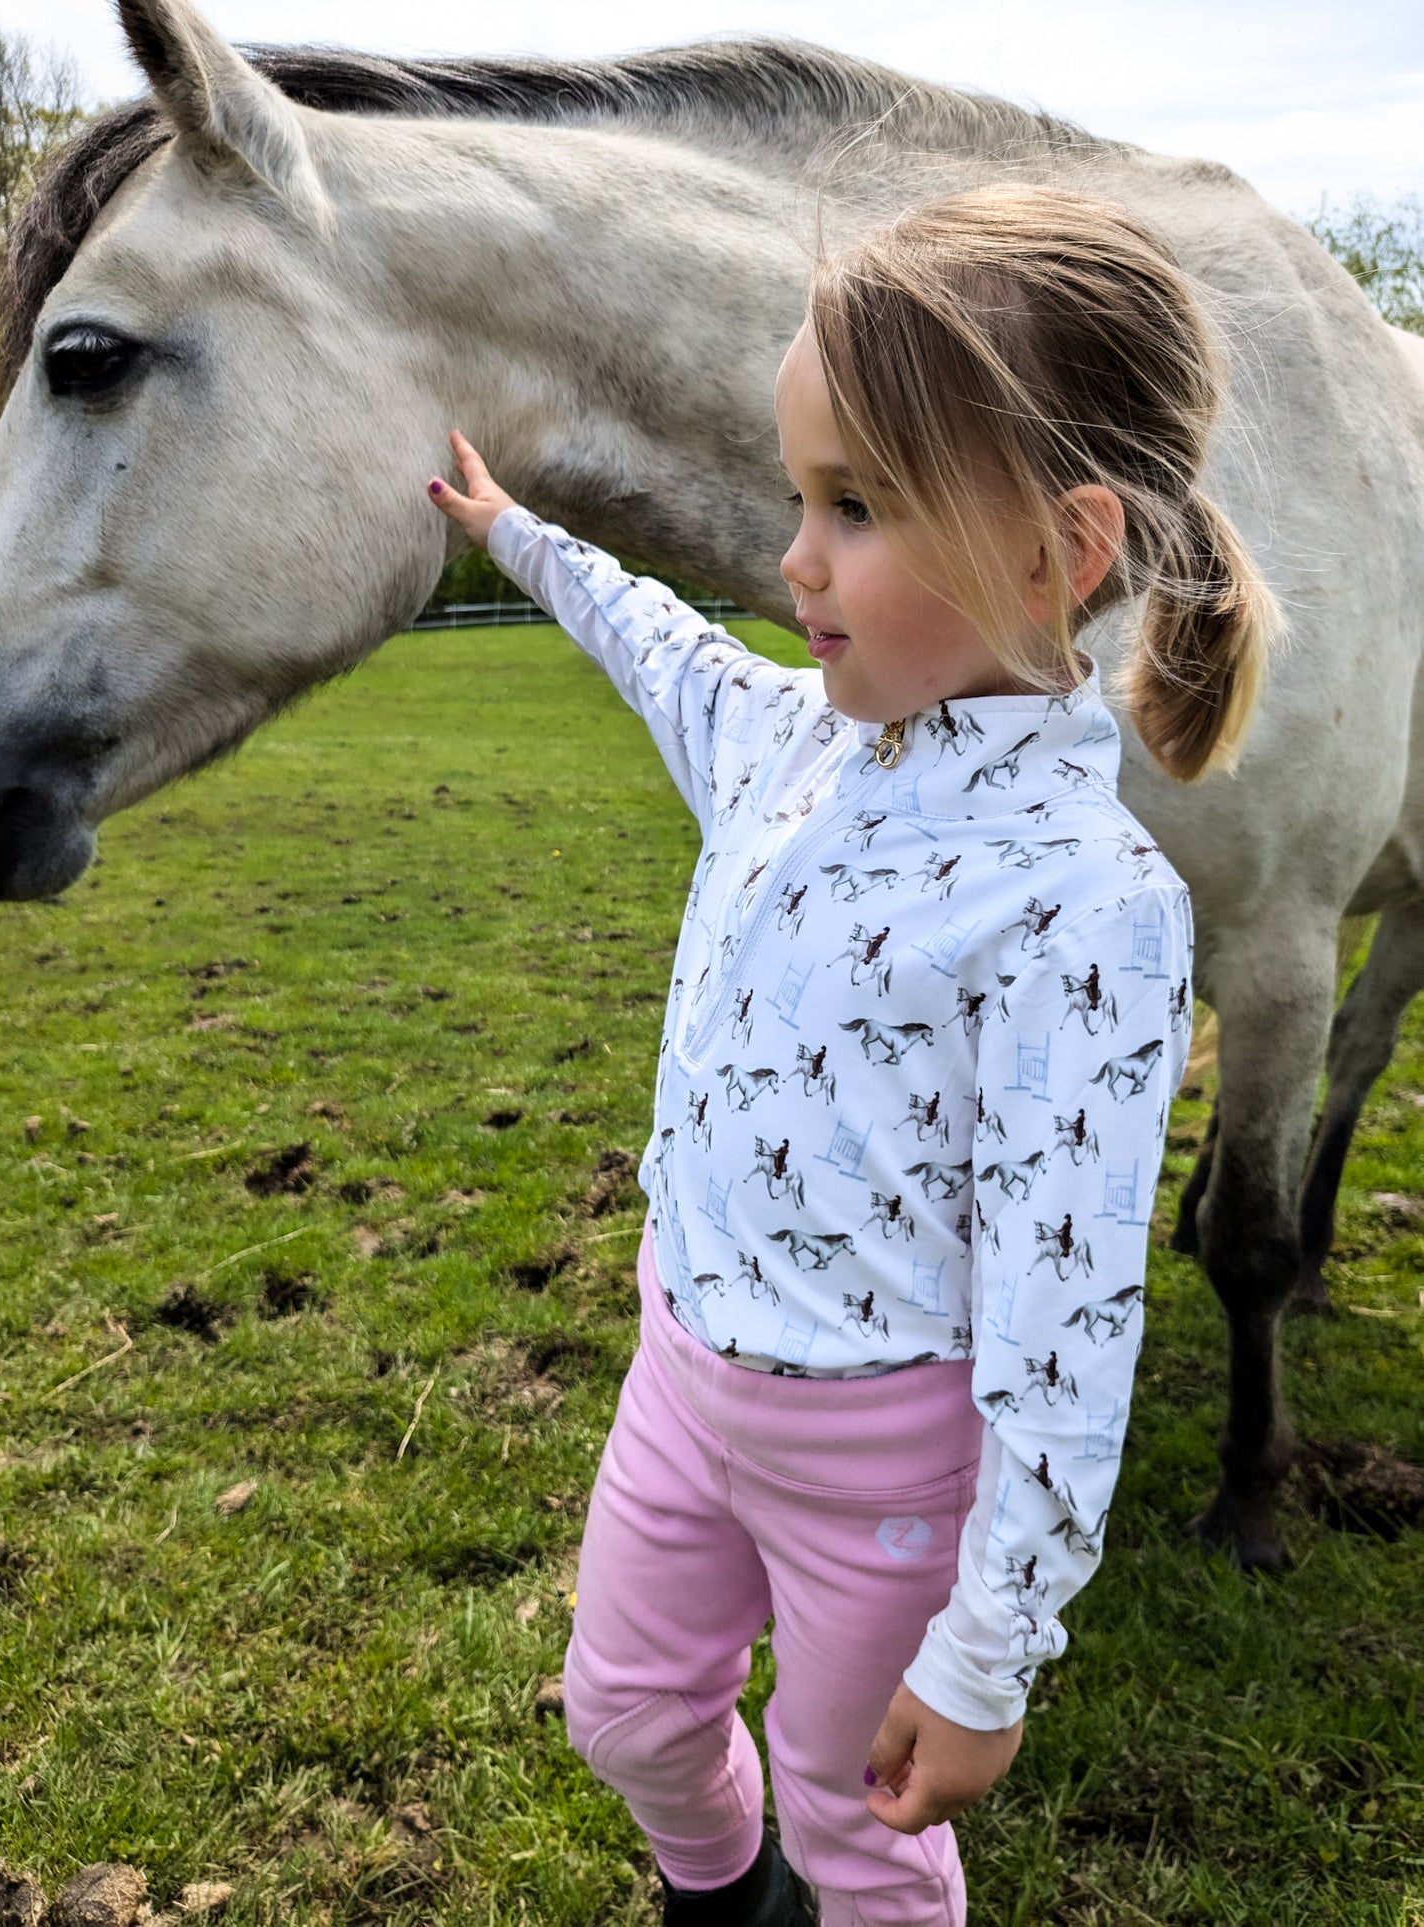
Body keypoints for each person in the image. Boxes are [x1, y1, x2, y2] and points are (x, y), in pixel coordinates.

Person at [426, 184, 1279, 1927]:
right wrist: (512, 530)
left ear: (1061, 550)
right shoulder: (780, 740)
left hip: (881, 1471)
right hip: (681, 1375)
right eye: (800, 494)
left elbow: (1068, 1327)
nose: (795, 558)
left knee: (860, 1826)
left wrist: (990, 1652)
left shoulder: (1085, 909)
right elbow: (655, 635)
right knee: (622, 1716)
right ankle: (713, 1898)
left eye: (855, 506)